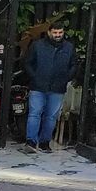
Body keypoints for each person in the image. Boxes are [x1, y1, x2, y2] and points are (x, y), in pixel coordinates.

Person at [22, 24, 78, 154]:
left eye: (60, 32)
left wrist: (66, 78)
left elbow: (74, 65)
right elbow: (27, 63)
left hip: (58, 87)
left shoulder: (69, 47)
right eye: (55, 32)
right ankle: (31, 141)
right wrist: (34, 77)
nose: (58, 35)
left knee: (51, 117)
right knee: (34, 113)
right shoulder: (37, 45)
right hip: (38, 86)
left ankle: (44, 142)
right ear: (49, 32)